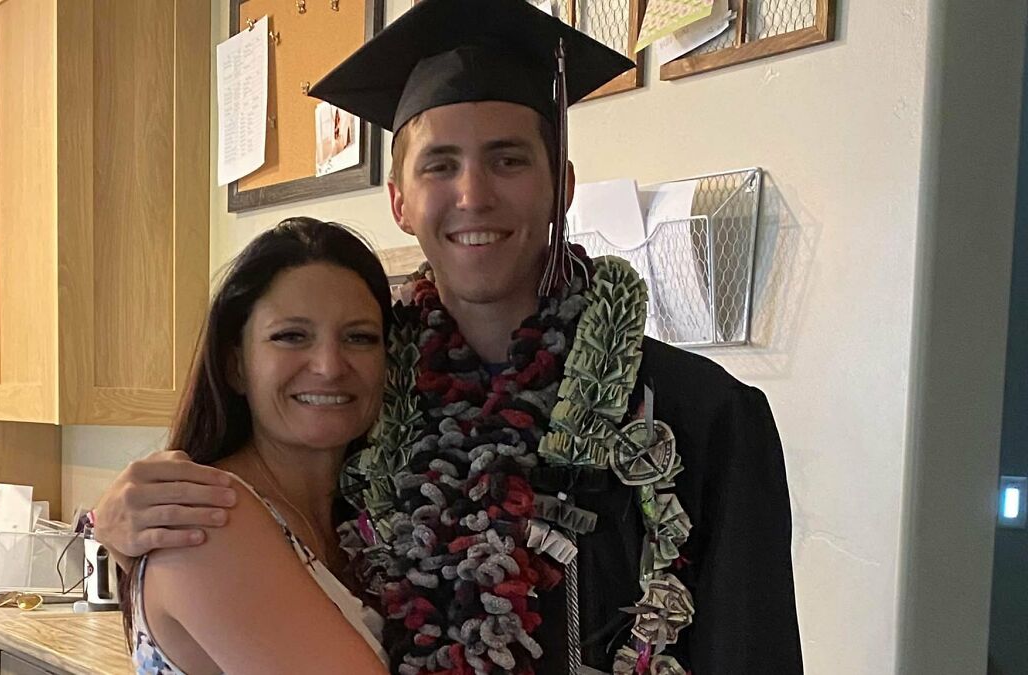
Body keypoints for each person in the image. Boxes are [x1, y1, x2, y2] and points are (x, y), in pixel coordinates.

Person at [98, 0, 803, 672]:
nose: (473, 194)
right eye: (440, 164)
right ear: (400, 199)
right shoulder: (365, 411)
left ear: (562, 185)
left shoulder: (697, 416)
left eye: (509, 159)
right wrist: (119, 523)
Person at [122, 218, 391, 674]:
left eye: (359, 337)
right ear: (235, 366)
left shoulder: (372, 519)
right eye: (291, 336)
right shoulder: (209, 520)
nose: (329, 366)